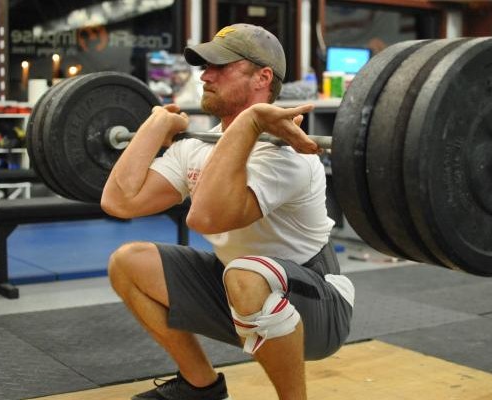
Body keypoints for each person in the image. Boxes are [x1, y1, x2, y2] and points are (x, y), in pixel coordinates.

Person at [101, 23, 355, 400]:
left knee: (246, 272)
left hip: (316, 306)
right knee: (127, 263)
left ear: (262, 77)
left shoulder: (284, 155)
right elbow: (119, 202)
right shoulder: (197, 146)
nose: (206, 75)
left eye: (221, 66)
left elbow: (206, 217)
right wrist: (153, 127)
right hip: (238, 287)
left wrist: (250, 124)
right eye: (205, 66)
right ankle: (200, 386)